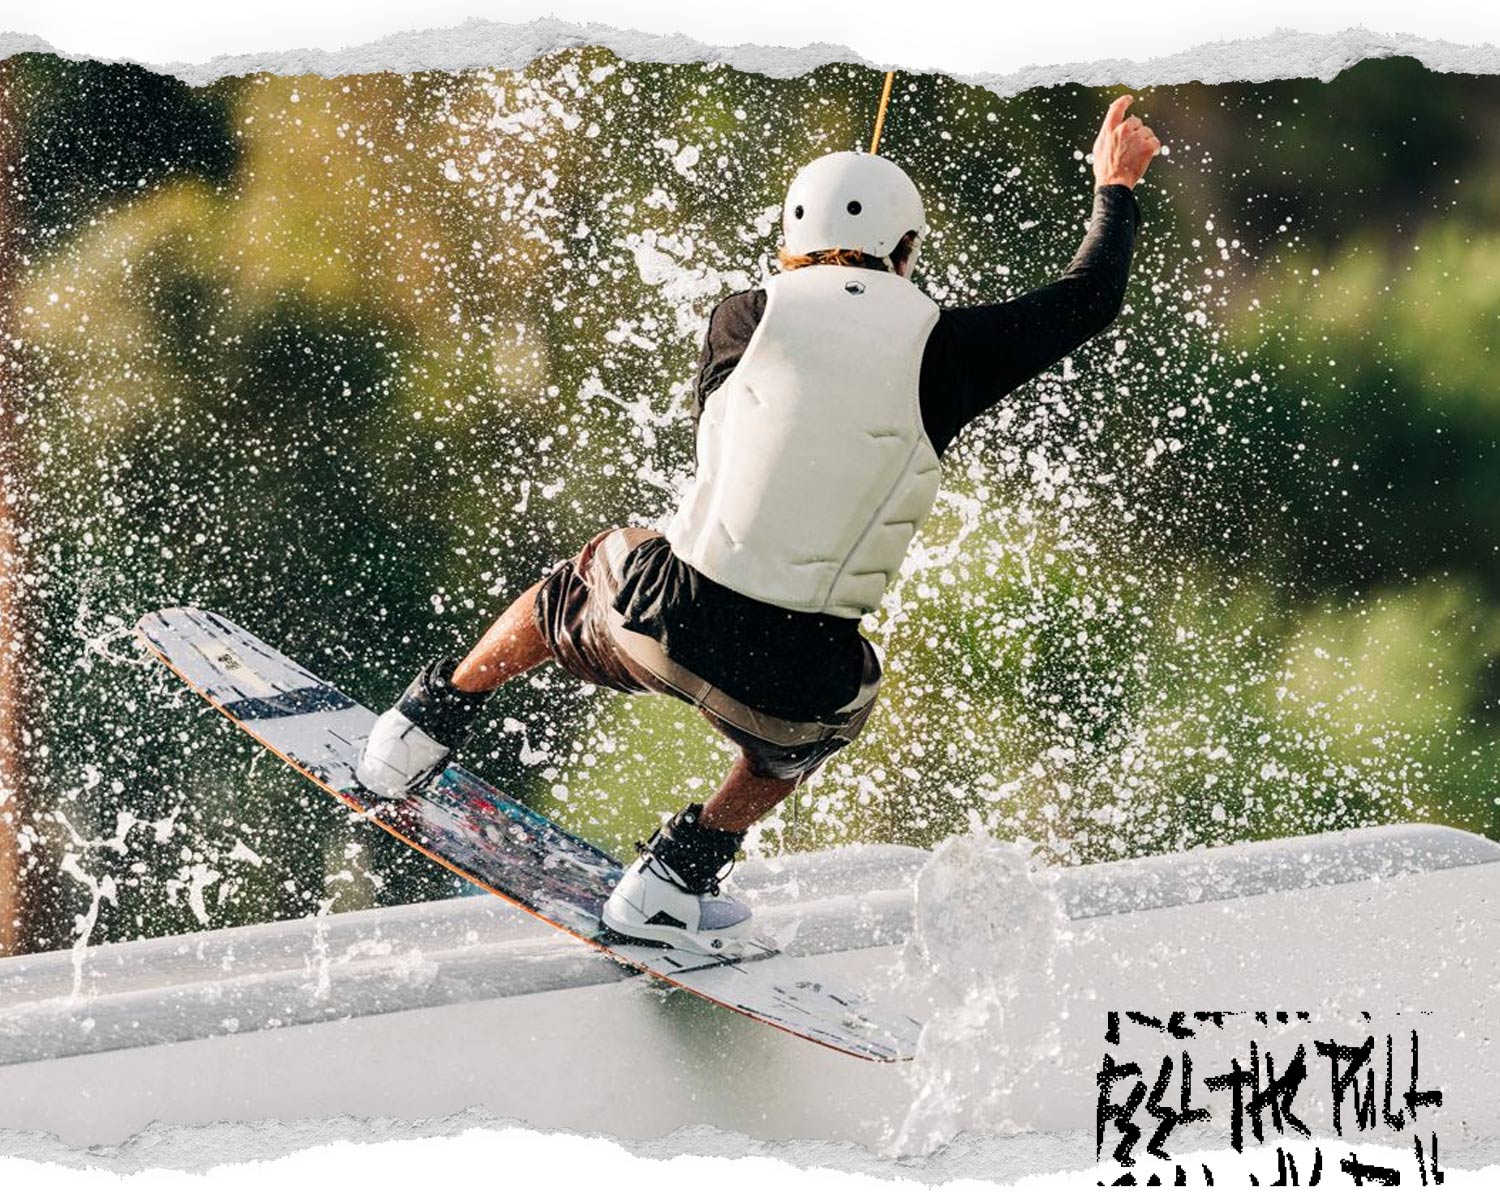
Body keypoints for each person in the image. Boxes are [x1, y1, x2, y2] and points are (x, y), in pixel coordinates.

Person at [357, 95, 1161, 955]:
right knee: (847, 705)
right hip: (789, 690)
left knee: (592, 568)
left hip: (658, 624)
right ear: (910, 251)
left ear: (788, 245)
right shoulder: (952, 353)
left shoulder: (738, 316)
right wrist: (1113, 184)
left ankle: (421, 726)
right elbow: (1089, 298)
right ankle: (677, 878)